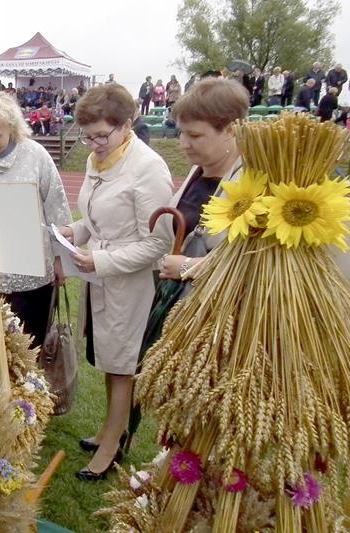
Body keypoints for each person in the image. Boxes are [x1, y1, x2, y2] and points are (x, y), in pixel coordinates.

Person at [57, 83, 172, 481]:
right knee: (108, 360)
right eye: (87, 137)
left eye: (102, 136)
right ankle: (111, 429)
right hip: (101, 275)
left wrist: (101, 260)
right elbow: (97, 218)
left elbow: (158, 244)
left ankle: (112, 447)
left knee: (122, 366)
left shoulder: (148, 168)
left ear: (127, 125)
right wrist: (75, 231)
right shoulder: (98, 158)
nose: (94, 145)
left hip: (130, 284)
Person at [140, 78, 251, 438]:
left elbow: (254, 262)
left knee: (212, 416)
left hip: (226, 326)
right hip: (185, 313)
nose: (184, 143)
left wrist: (189, 268)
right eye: (182, 133)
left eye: (196, 135)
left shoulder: (254, 183)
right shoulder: (198, 171)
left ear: (231, 129)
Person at [0, 90, 72, 349]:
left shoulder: (36, 155)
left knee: (28, 350)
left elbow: (56, 208)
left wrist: (60, 259)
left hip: (31, 278)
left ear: (11, 129)